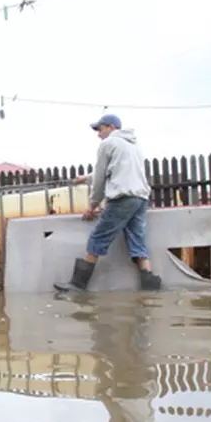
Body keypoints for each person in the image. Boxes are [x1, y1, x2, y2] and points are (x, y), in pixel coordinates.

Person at [55, 113, 162, 292]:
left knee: (98, 237)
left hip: (122, 198)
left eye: (100, 129)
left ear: (111, 127)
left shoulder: (108, 144)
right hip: (141, 198)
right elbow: (116, 171)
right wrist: (85, 178)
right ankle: (150, 286)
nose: (98, 134)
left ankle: (77, 285)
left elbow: (100, 178)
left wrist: (92, 206)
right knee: (137, 241)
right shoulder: (133, 145)